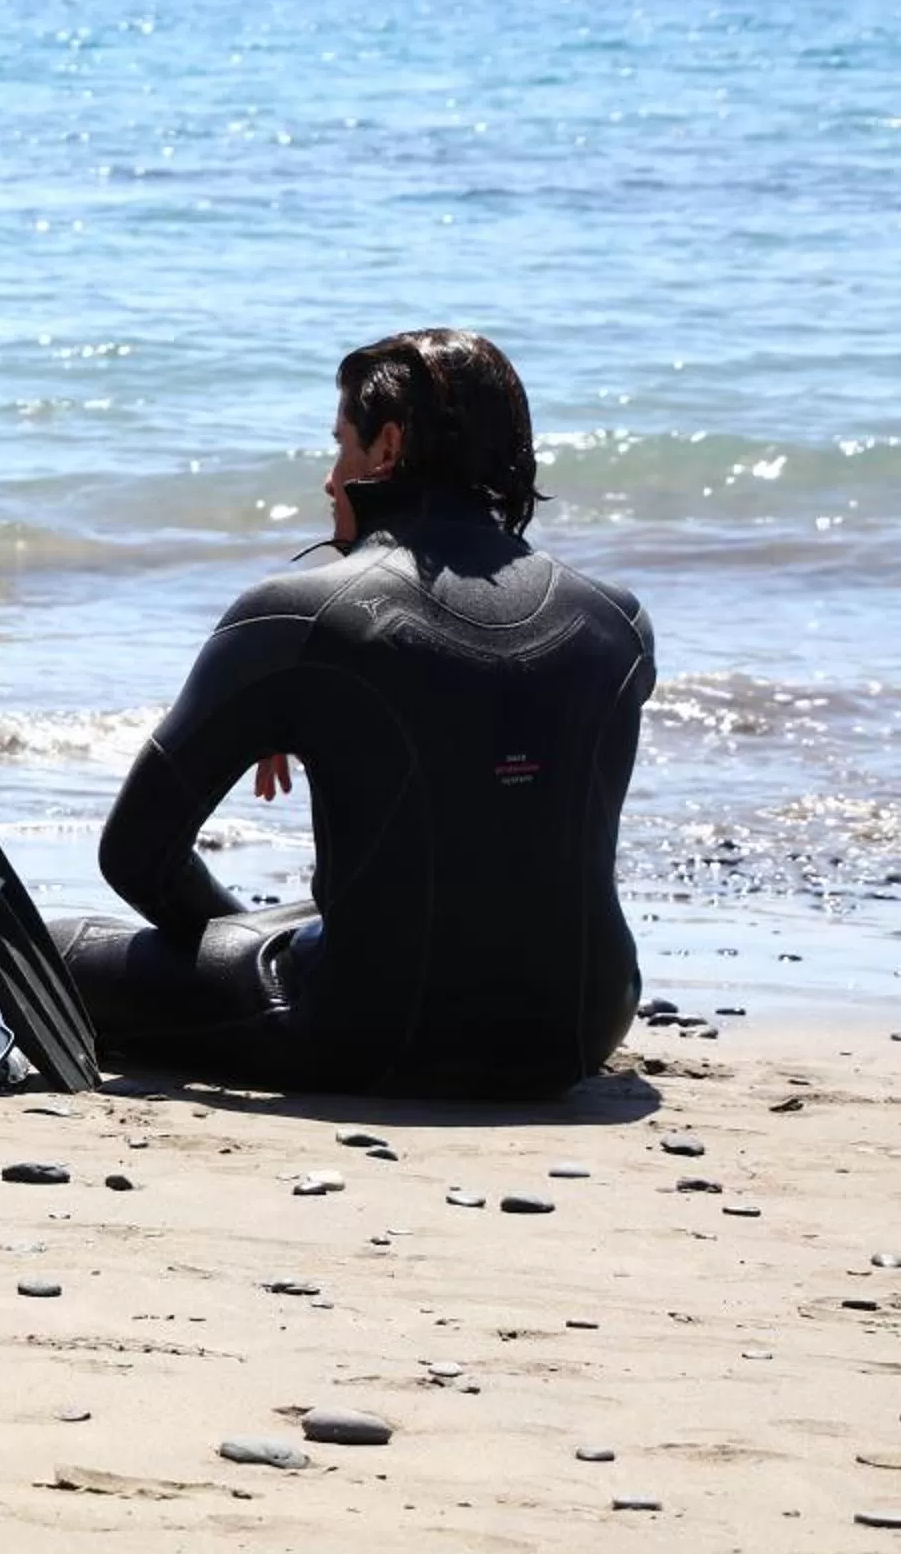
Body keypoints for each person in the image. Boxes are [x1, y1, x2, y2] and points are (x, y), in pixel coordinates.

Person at [52, 329, 654, 1098]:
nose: (330, 480)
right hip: (580, 1024)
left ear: (389, 447)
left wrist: (240, 947)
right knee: (367, 906)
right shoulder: (617, 620)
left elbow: (135, 856)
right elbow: (501, 820)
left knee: (53, 946)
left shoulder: (295, 618)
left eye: (341, 446)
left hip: (370, 1029)